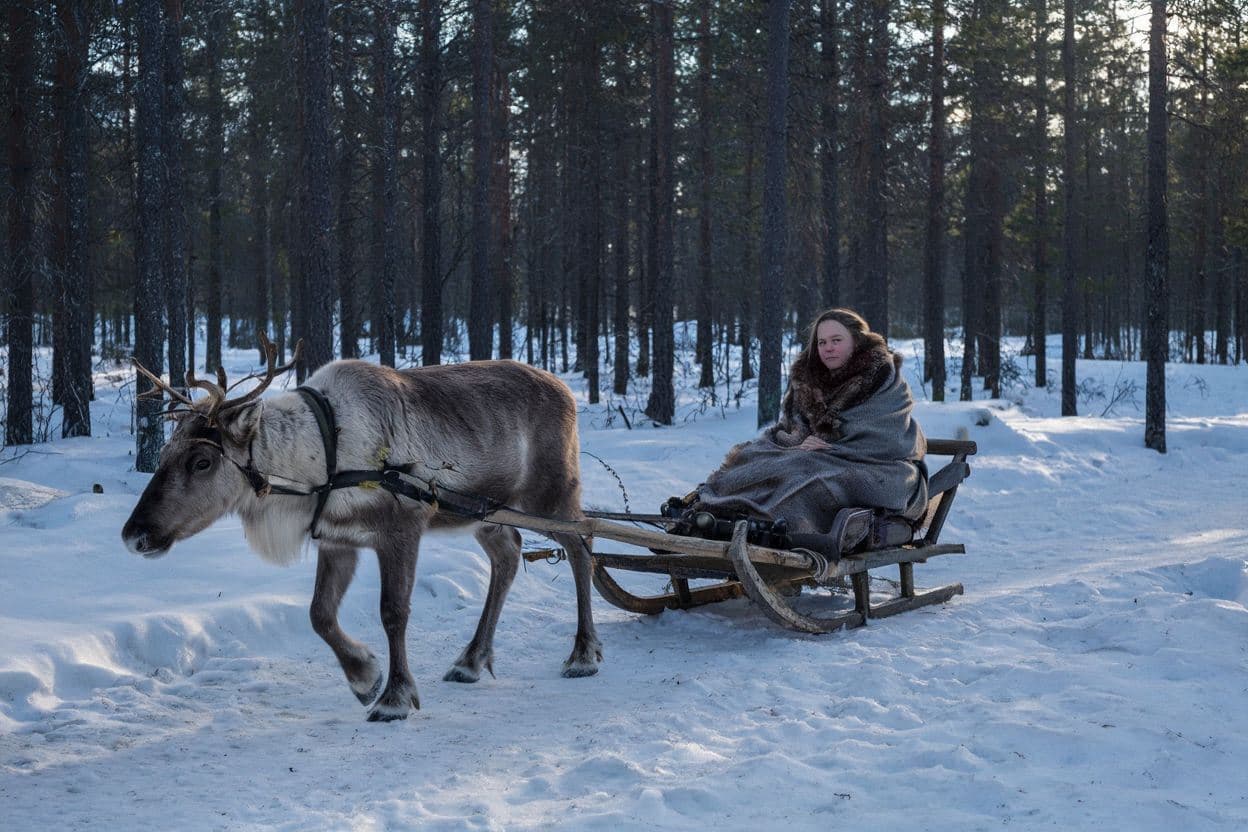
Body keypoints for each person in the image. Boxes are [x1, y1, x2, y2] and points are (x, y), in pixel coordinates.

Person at [675, 308, 928, 553]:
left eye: (836, 340)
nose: (827, 348)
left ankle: (769, 530)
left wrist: (832, 447)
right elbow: (793, 426)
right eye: (822, 342)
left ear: (857, 341)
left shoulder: (882, 378)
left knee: (807, 477)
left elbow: (888, 436)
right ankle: (709, 514)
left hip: (876, 467)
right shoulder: (809, 380)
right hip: (813, 455)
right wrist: (800, 440)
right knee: (757, 457)